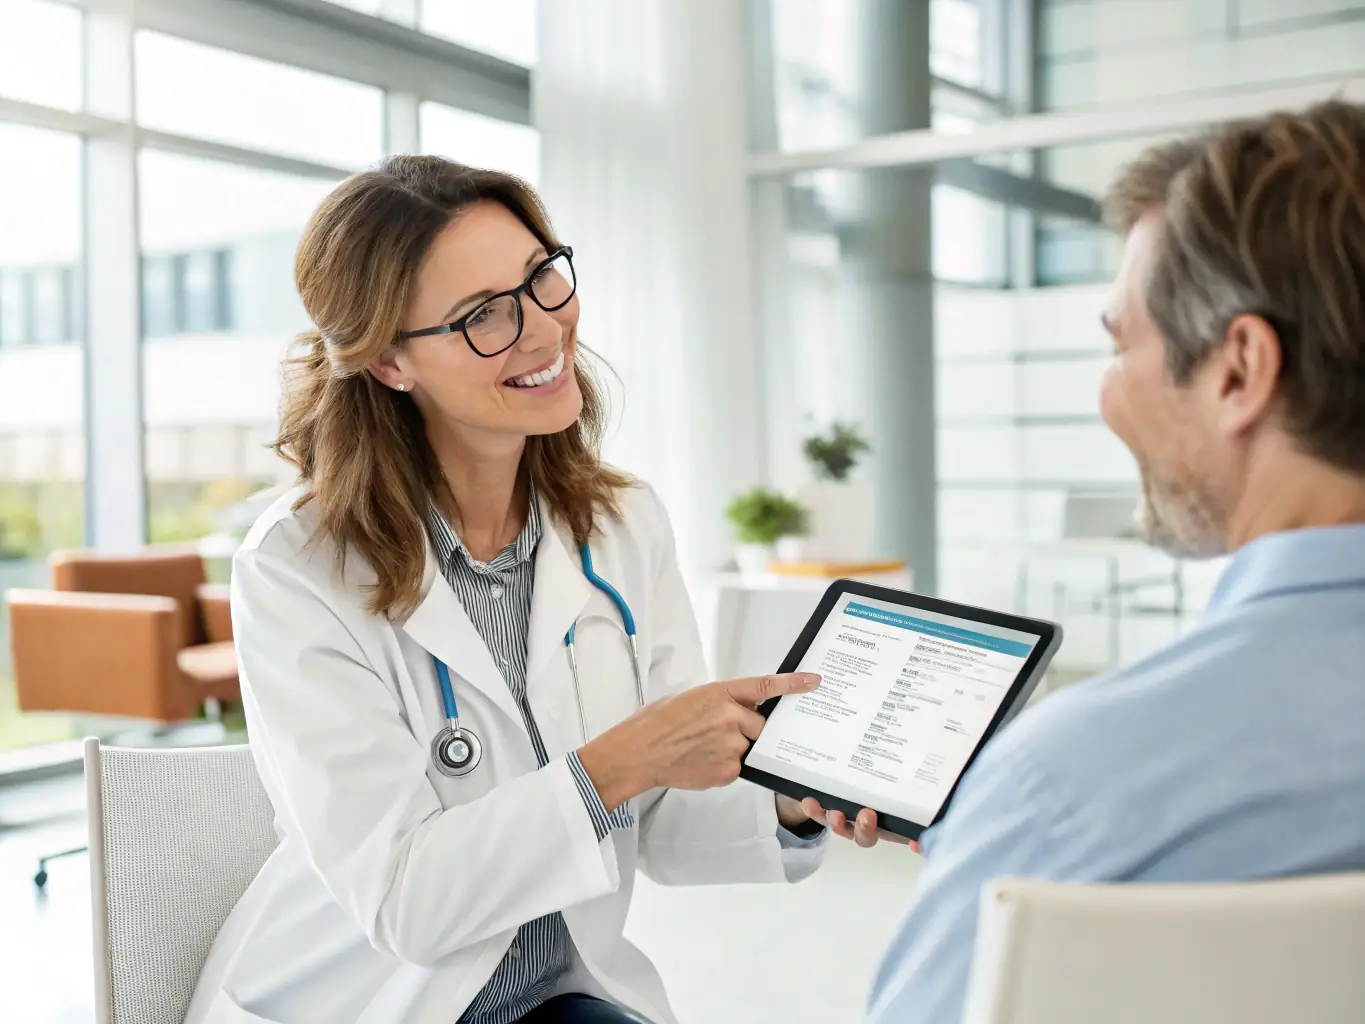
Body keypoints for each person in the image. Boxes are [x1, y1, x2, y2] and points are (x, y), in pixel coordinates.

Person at [183, 156, 874, 1024]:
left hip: (549, 998)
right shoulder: (298, 567)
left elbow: (660, 817)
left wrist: (790, 800)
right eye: (482, 317)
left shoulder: (621, 523)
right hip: (359, 1003)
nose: (542, 330)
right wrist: (624, 757)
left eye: (541, 277)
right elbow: (408, 900)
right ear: (390, 362)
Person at [851, 100, 1365, 1023]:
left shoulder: (1061, 791)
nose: (1109, 391)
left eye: (1118, 342)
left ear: (1239, 369)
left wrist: (1008, 833)